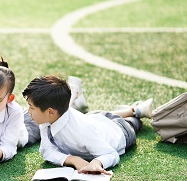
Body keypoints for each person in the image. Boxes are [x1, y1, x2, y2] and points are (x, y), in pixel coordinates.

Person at [22, 75, 153, 174]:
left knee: (134, 123)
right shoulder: (47, 119)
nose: (28, 111)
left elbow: (111, 154)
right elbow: (47, 151)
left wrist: (97, 162)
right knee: (96, 115)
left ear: (50, 112)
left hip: (119, 130)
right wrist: (73, 160)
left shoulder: (82, 131)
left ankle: (136, 112)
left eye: (31, 107)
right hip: (96, 119)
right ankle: (131, 109)